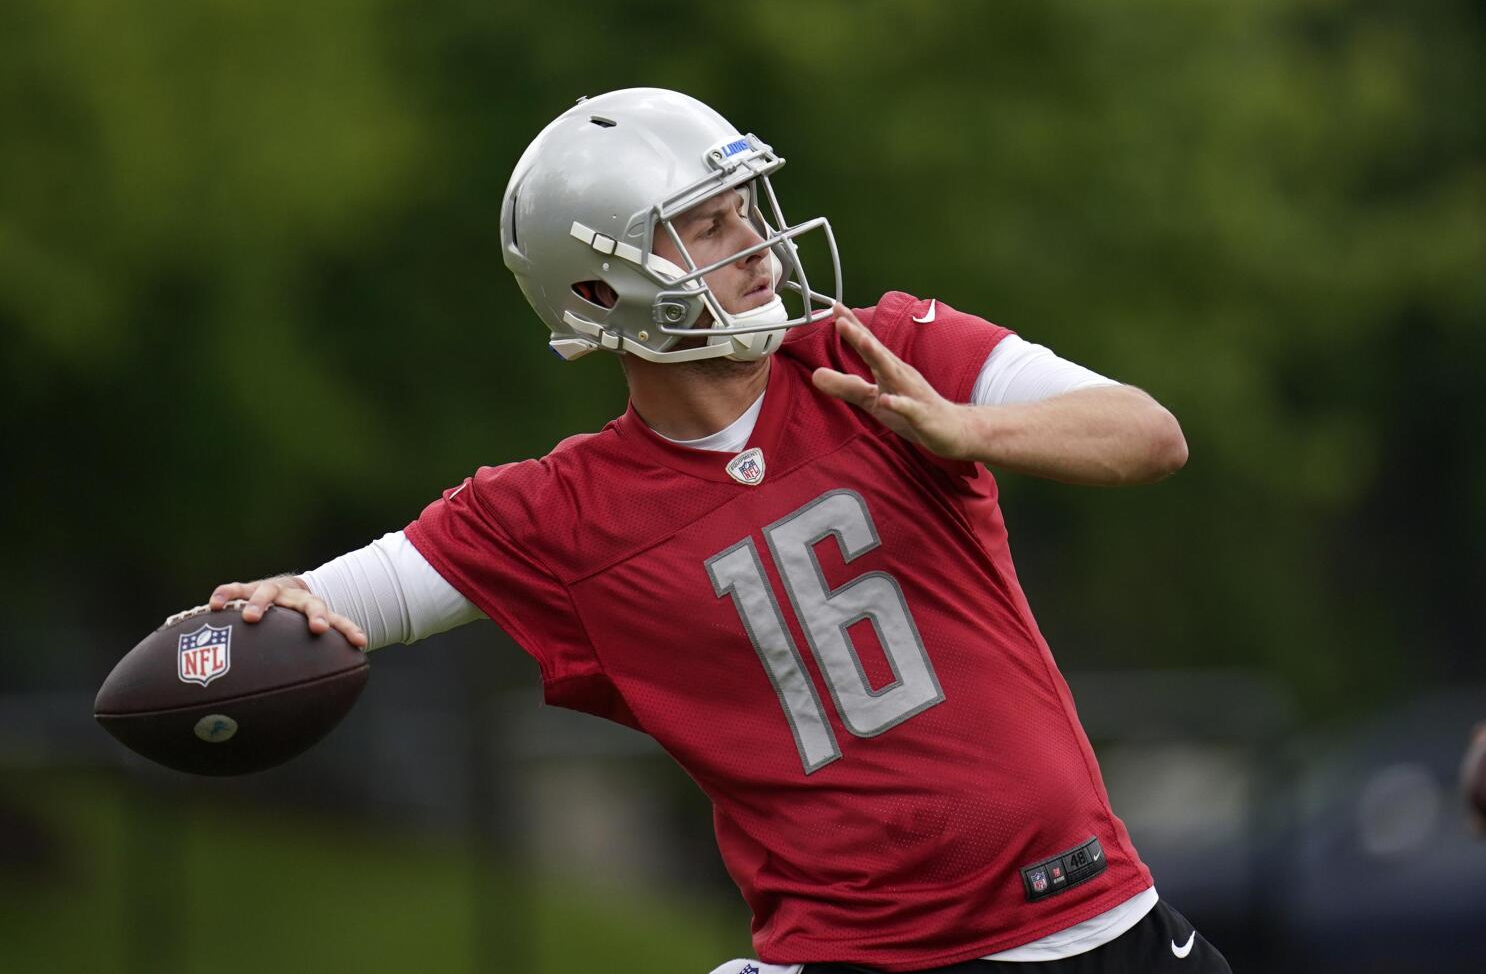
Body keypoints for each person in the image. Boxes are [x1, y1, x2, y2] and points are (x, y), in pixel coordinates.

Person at [208, 88, 1230, 973]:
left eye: (744, 209)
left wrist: (967, 428)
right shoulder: (560, 512)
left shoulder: (884, 353)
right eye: (704, 225)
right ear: (601, 288)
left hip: (1090, 922)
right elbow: (340, 599)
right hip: (851, 953)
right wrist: (276, 609)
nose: (753, 245)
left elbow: (1148, 434)